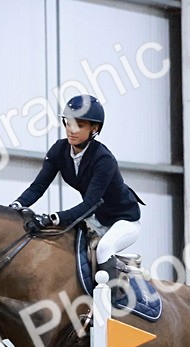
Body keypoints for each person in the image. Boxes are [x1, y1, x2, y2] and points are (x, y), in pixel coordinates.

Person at [11, 94, 144, 275]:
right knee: (63, 241)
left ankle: (115, 292)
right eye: (69, 123)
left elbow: (90, 203)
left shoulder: (104, 159)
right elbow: (38, 187)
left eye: (80, 125)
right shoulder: (59, 150)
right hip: (96, 219)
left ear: (94, 129)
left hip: (123, 220)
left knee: (104, 249)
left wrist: (55, 217)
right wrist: (17, 205)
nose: (71, 130)